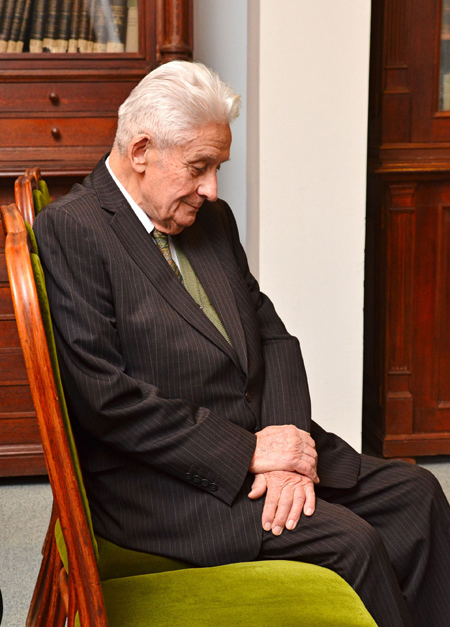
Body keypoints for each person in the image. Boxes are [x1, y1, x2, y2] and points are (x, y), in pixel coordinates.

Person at [33, 61, 450, 627]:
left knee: (417, 494)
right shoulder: (73, 228)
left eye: (217, 168)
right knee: (353, 543)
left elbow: (272, 336)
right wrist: (250, 454)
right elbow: (106, 399)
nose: (211, 189)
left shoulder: (212, 220)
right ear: (141, 151)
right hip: (163, 482)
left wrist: (286, 449)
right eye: (199, 167)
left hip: (263, 444)